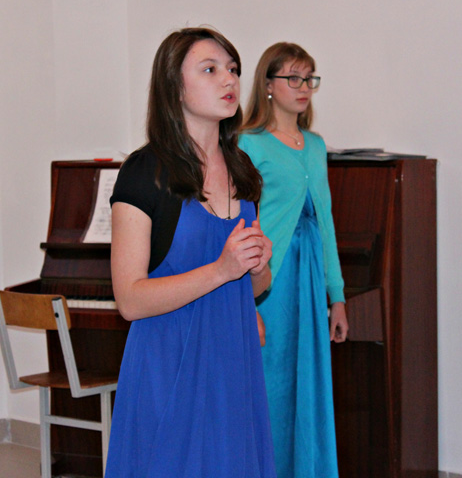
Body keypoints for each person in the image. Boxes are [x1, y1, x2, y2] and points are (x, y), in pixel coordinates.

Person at [105, 28, 277, 478]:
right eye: (210, 69)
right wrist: (221, 269)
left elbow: (253, 288)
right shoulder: (144, 172)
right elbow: (130, 300)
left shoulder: (243, 169)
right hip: (169, 365)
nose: (229, 79)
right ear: (175, 88)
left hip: (232, 362)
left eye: (233, 69)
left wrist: (258, 266)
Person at [238, 42, 349, 478]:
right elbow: (241, 222)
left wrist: (337, 296)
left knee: (310, 384)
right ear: (268, 85)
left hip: (310, 279)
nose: (304, 87)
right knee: (272, 385)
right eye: (294, 78)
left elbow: (326, 223)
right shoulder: (248, 144)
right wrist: (245, 297)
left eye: (309, 79)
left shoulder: (317, 146)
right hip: (271, 280)